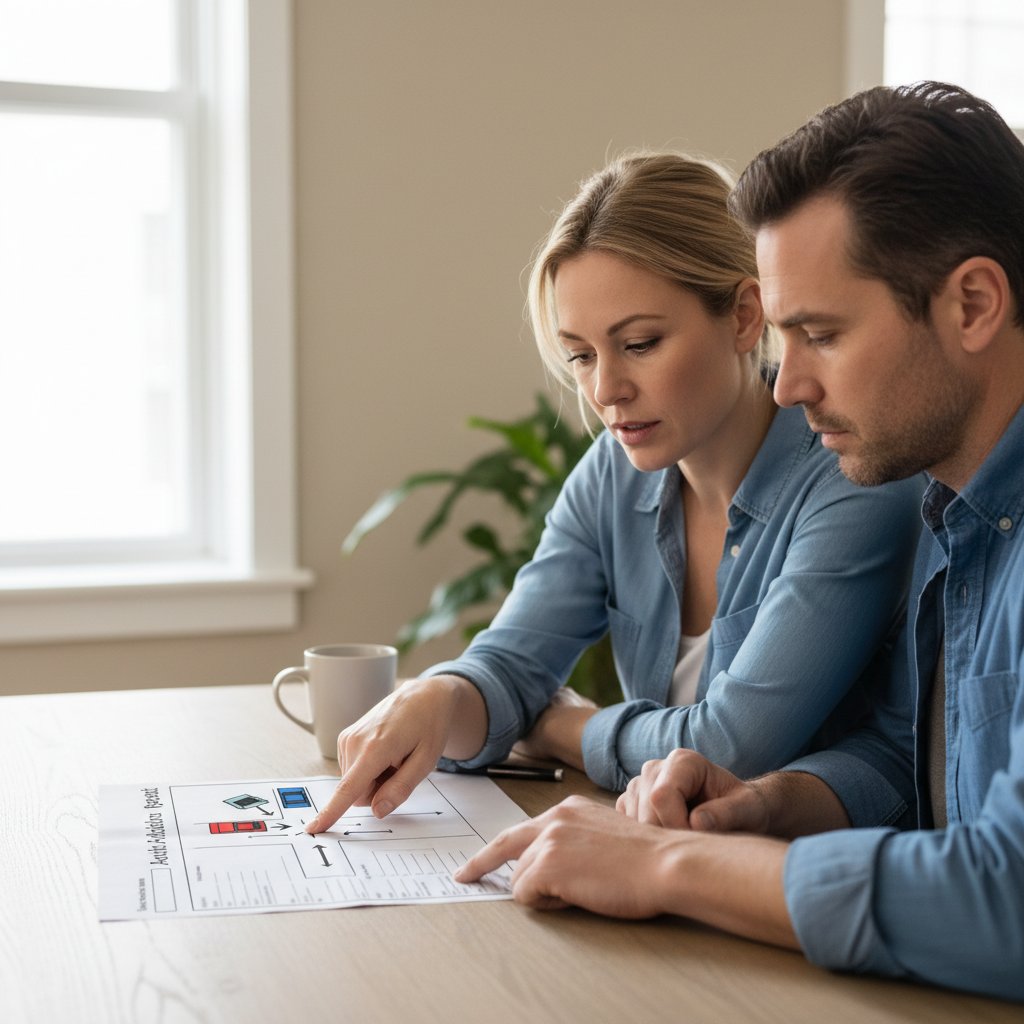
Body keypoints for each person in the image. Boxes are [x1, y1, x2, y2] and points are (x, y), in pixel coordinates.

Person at [456, 82, 1024, 1002]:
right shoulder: (947, 508)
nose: (789, 384)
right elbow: (903, 756)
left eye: (822, 334)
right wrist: (766, 804)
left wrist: (670, 866)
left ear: (972, 305)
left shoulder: (884, 491)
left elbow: (1007, 898)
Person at [307, 152, 922, 832]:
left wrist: (567, 728)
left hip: (808, 892)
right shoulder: (613, 470)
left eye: (640, 342)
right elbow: (512, 663)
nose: (605, 391)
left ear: (746, 316)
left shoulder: (853, 481)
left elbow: (730, 749)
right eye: (580, 354)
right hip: (674, 868)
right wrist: (442, 695)